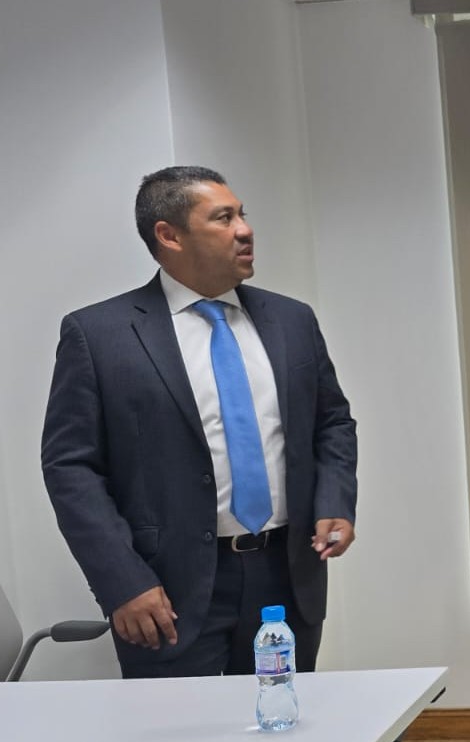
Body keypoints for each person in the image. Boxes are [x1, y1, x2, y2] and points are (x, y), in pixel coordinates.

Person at [41, 166, 358, 678]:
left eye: (242, 215)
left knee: (282, 721)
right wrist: (123, 582)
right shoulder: (99, 335)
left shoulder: (292, 320)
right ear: (169, 235)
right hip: (166, 591)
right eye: (223, 218)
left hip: (286, 575)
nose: (245, 230)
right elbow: (70, 468)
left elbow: (333, 423)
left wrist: (334, 502)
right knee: (182, 726)